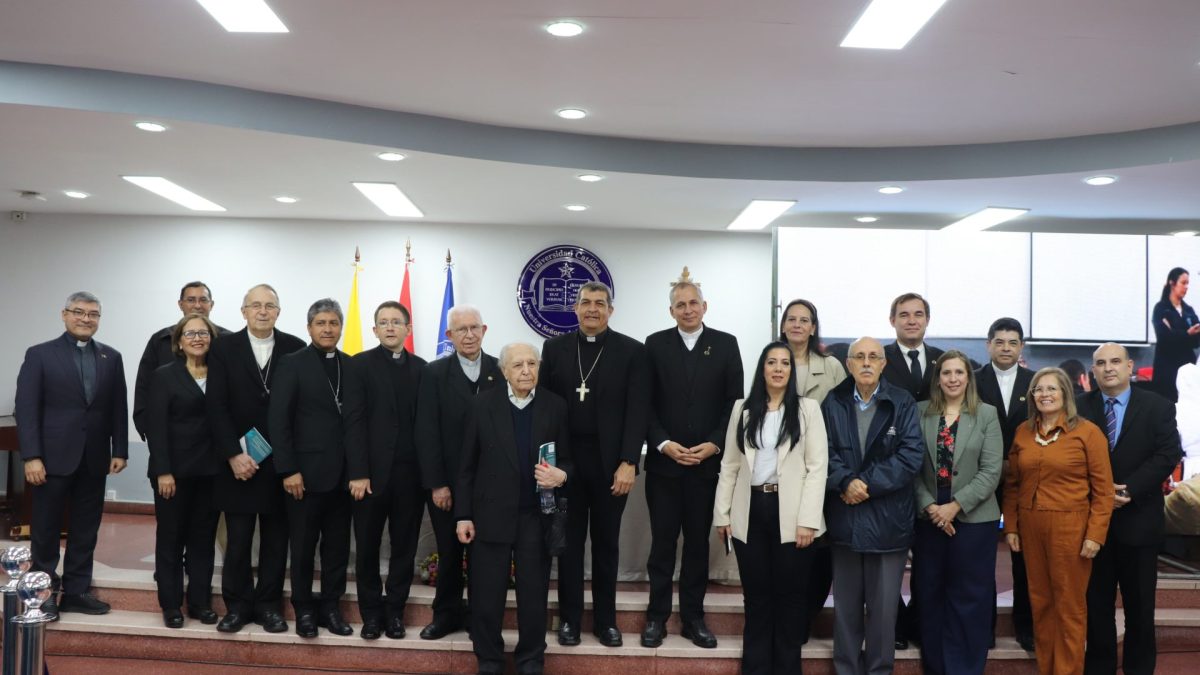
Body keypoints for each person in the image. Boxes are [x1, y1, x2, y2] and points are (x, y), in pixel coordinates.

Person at [540, 281, 649, 647]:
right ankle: (569, 620)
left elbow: (638, 411)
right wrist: (549, 463)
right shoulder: (554, 349)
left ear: (610, 310)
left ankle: (606, 621)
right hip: (566, 467)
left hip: (610, 466)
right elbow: (545, 408)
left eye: (599, 304)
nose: (592, 309)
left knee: (606, 545)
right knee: (568, 545)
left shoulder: (631, 351)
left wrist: (629, 461)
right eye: (585, 303)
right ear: (575, 308)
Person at [456, 342, 571, 675]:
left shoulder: (556, 406)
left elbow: (569, 461)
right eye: (518, 364)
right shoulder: (481, 406)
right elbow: (466, 467)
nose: (525, 370)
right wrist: (463, 514)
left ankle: (531, 658)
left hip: (536, 517)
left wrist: (561, 475)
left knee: (533, 596)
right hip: (489, 517)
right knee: (486, 594)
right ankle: (489, 658)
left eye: (531, 363)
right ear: (503, 371)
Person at [713, 341, 827, 674]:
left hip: (792, 514)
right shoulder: (742, 409)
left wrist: (808, 520)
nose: (778, 369)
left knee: (790, 599)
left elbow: (817, 467)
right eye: (771, 362)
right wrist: (722, 514)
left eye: (785, 364)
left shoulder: (808, 409)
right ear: (762, 368)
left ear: (792, 371)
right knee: (757, 598)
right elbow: (730, 465)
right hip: (750, 510)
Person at [641, 277, 743, 649]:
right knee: (663, 545)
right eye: (680, 305)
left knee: (698, 545)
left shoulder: (726, 344)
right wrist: (664, 443)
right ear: (671, 311)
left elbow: (735, 403)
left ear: (705, 306)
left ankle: (693, 618)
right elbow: (644, 403)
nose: (688, 309)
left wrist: (715, 444)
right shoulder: (654, 345)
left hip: (705, 466)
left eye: (693, 303)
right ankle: (656, 618)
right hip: (664, 466)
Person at [15, 291, 128, 620]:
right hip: (51, 459)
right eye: (78, 312)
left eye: (93, 314)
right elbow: (27, 409)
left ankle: (77, 590)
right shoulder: (40, 355)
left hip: (94, 458)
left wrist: (119, 448)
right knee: (46, 528)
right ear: (64, 315)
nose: (86, 319)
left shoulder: (111, 357)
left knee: (85, 528)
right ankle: (44, 591)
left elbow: (117, 407)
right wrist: (31, 456)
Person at [206, 283, 305, 634]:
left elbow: (300, 411)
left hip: (280, 463)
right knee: (238, 540)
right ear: (243, 311)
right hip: (238, 464)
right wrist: (233, 454)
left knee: (277, 541)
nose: (263, 311)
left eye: (270, 306)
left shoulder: (296, 347)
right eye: (256, 305)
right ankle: (237, 606)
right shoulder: (223, 348)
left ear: (279, 311)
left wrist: (290, 460)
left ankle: (268, 606)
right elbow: (215, 406)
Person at [822, 336, 924, 675]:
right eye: (859, 357)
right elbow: (822, 453)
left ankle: (880, 671)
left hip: (888, 523)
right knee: (846, 610)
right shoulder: (832, 401)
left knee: (883, 614)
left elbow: (911, 455)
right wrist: (844, 481)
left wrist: (865, 484)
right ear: (849, 364)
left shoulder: (903, 402)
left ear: (884, 364)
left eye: (874, 357)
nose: (867, 362)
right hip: (845, 518)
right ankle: (846, 670)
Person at [1003, 367, 1114, 675]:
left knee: (1069, 607)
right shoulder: (1023, 432)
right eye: (1039, 389)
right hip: (1030, 526)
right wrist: (1011, 525)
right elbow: (1012, 484)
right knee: (1040, 603)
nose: (1045, 395)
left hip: (1072, 529)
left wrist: (1095, 535)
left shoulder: (1087, 433)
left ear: (1066, 393)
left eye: (1052, 389)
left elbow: (1103, 492)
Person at [1080, 343, 1182, 675]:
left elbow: (1168, 454)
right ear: (1092, 371)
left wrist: (1130, 488)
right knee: (1096, 609)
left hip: (1139, 523)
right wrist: (1100, 493)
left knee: (1140, 611)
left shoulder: (1158, 406)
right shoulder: (1078, 408)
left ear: (1129, 366)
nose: (1108, 368)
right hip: (1091, 527)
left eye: (1114, 362)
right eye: (1100, 363)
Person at [912, 350, 1003, 675]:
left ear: (968, 378)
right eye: (946, 373)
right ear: (937, 379)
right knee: (931, 591)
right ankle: (937, 667)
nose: (952, 378)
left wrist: (954, 506)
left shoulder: (987, 415)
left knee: (970, 597)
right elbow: (911, 468)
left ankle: (965, 668)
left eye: (958, 373)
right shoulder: (920, 412)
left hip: (974, 518)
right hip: (929, 516)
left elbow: (991, 471)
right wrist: (931, 507)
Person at [269, 298, 355, 638]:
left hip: (343, 478)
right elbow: (279, 420)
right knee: (303, 548)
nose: (328, 329)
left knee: (336, 550)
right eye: (321, 323)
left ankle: (330, 608)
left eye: (333, 323)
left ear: (340, 327)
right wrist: (288, 469)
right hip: (303, 476)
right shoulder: (292, 364)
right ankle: (303, 609)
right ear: (309, 328)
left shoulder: (351, 365)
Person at [416, 304, 503, 639]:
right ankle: (445, 614)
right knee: (450, 551)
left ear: (484, 330)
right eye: (460, 330)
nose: (468, 335)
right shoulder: (434, 373)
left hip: (490, 484)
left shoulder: (501, 369)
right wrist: (437, 483)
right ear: (449, 335)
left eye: (474, 328)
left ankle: (480, 618)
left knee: (484, 556)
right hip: (448, 484)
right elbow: (426, 432)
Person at [342, 301, 428, 640]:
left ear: (408, 329)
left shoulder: (423, 369)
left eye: (396, 322)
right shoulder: (359, 366)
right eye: (383, 322)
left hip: (410, 477)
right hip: (369, 478)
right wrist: (358, 472)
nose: (390, 327)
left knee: (404, 549)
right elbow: (353, 422)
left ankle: (395, 613)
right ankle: (371, 616)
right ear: (374, 330)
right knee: (366, 548)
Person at [145, 314, 222, 628]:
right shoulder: (164, 375)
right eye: (190, 333)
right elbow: (157, 426)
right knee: (171, 540)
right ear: (178, 342)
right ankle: (171, 605)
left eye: (203, 333)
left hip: (211, 472)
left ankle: (200, 603)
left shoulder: (221, 374)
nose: (197, 338)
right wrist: (163, 471)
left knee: (203, 540)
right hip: (172, 474)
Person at [779, 297, 846, 642]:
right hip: (780, 471)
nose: (797, 325)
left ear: (813, 326)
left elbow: (844, 418)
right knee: (785, 546)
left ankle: (807, 615)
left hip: (823, 467)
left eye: (804, 320)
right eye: (791, 319)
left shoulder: (832, 366)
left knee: (819, 546)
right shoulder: (772, 359)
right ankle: (786, 615)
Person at [880, 292, 943, 648]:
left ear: (927, 320)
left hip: (936, 473)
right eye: (904, 314)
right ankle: (897, 625)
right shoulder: (881, 358)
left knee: (928, 565)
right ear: (893, 320)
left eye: (918, 314)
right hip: (892, 471)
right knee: (888, 563)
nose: (911, 320)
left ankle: (921, 624)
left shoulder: (942, 361)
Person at [975, 317, 1036, 651]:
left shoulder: (1036, 382)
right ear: (988, 344)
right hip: (980, 479)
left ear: (1021, 347)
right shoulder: (972, 381)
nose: (1006, 348)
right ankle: (983, 629)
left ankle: (1025, 626)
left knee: (1023, 557)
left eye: (1013, 343)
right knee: (981, 557)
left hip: (1024, 480)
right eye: (999, 342)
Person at [133, 281, 229, 440]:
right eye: (191, 300)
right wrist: (144, 424)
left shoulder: (228, 341)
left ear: (211, 304)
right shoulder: (161, 340)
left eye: (203, 300)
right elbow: (144, 384)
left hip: (217, 435)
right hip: (171, 434)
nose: (197, 305)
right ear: (180, 304)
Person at [1151, 267, 1200, 401]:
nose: (1186, 287)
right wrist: (1187, 334)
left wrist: (1179, 333)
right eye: (1183, 283)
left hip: (1186, 368)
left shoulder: (1189, 310)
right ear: (1172, 283)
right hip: (1167, 370)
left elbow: (1196, 341)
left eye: (1187, 283)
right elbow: (1164, 338)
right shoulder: (1161, 308)